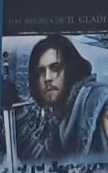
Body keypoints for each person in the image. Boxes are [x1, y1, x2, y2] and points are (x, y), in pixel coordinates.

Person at [12, 34, 99, 164]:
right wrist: (17, 117)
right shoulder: (63, 116)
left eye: (55, 69)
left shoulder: (91, 103)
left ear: (71, 69)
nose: (47, 78)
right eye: (41, 71)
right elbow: (46, 163)